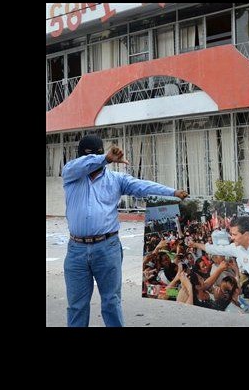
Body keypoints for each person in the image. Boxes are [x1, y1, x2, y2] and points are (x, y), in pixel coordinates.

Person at [62, 134, 188, 327]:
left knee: (111, 302)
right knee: (77, 306)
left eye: (97, 157)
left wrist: (171, 193)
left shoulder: (116, 179)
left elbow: (142, 186)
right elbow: (80, 165)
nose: (92, 162)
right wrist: (104, 158)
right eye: (88, 158)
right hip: (76, 250)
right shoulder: (71, 174)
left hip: (107, 247)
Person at [188, 216, 249, 312]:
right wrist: (195, 244)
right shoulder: (236, 248)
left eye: (234, 234)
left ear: (246, 234)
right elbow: (216, 249)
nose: (231, 237)